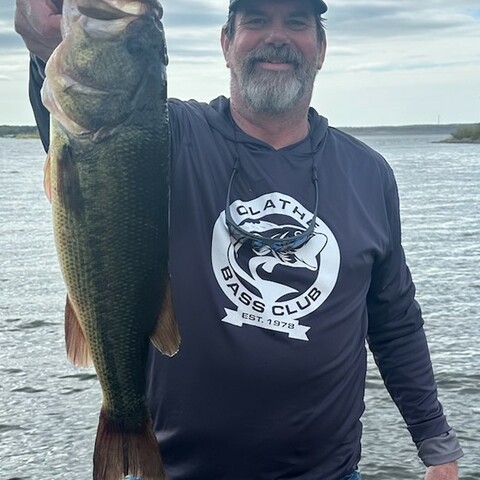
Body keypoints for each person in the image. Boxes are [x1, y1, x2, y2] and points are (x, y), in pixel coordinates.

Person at [15, 0, 464, 479]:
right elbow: (93, 139)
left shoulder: (369, 174)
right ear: (226, 43)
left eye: (297, 22)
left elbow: (394, 319)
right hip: (176, 470)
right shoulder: (170, 135)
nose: (277, 36)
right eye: (255, 21)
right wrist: (49, 52)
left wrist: (436, 445)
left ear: (322, 48)